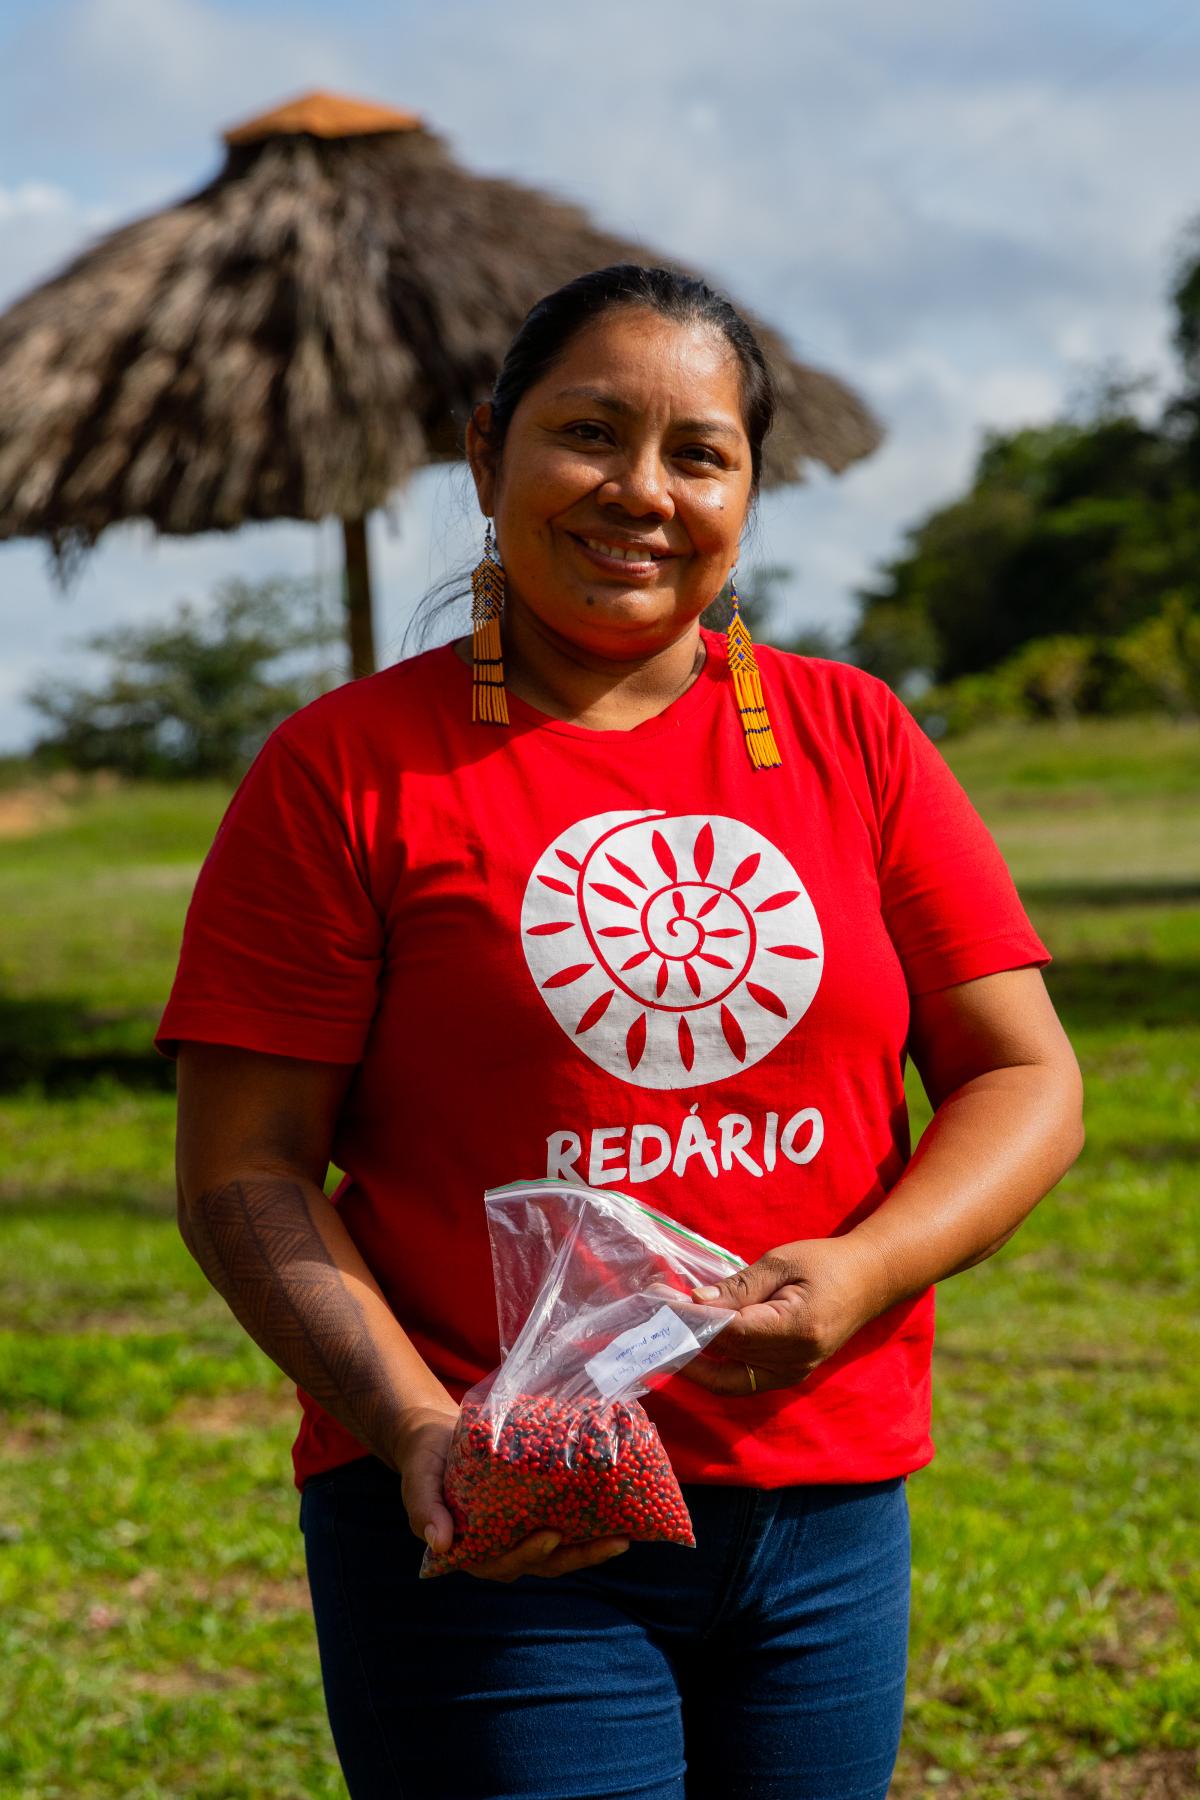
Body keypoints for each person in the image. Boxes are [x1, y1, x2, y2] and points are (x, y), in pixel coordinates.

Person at [160, 264, 1084, 1800]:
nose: (642, 491)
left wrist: (863, 1274)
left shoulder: (857, 737)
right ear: (487, 456)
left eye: (698, 454)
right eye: (589, 433)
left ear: (747, 494)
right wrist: (422, 1433)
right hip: (495, 1532)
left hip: (824, 1515)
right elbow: (241, 1170)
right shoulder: (344, 773)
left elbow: (1025, 1073)